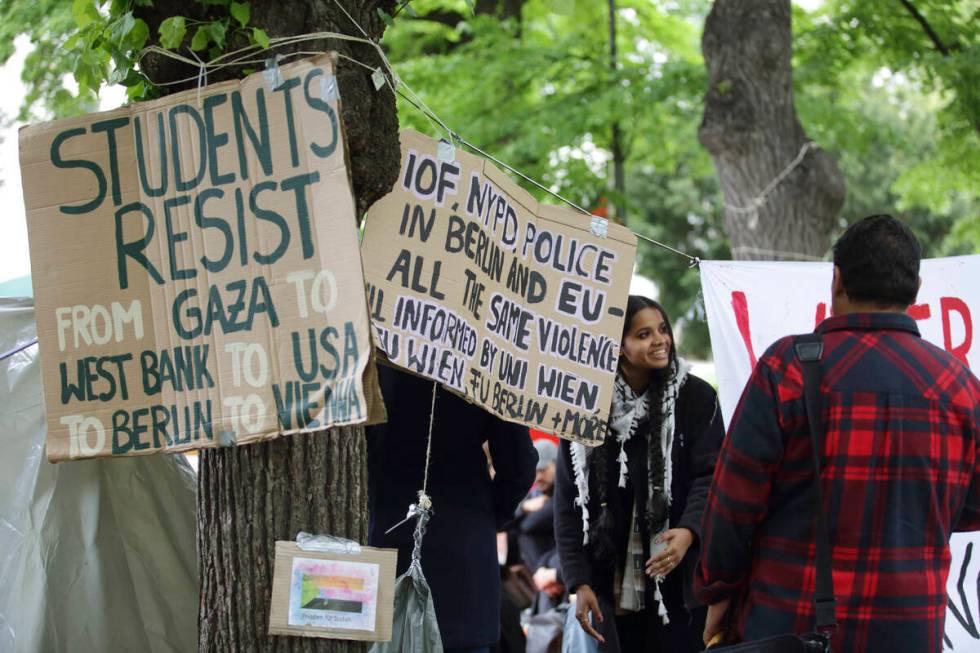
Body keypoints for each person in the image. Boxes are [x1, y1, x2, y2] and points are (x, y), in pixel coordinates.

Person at [695, 215, 980, 652]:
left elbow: (734, 500)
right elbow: (970, 504)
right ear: (917, 289)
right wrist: (906, 514)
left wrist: (717, 589)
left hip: (791, 623)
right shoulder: (959, 384)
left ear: (837, 280)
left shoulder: (788, 367)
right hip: (911, 629)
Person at [554, 295, 725, 652]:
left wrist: (689, 531)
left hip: (678, 581)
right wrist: (579, 582)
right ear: (617, 347)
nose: (660, 340)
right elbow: (568, 503)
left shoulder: (696, 397)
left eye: (662, 329)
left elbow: (711, 476)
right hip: (610, 582)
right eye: (644, 334)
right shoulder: (586, 404)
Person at [367, 364, 537, 653]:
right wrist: (487, 517)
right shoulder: (488, 360)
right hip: (463, 560)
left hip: (382, 547)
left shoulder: (372, 350)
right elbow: (518, 465)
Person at [515, 439, 565, 613]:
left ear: (557, 464)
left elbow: (528, 526)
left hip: (559, 573)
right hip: (547, 573)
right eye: (535, 472)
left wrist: (547, 574)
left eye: (543, 470)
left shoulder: (563, 494)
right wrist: (524, 507)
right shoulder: (538, 496)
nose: (538, 477)